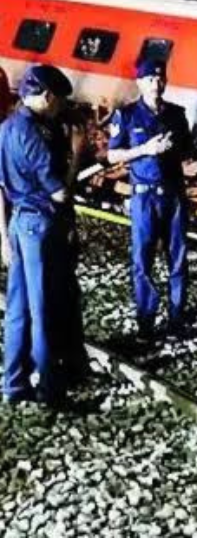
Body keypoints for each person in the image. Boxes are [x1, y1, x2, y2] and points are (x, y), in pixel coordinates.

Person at [0, 65, 78, 406]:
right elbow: (59, 192)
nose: (61, 107)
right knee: (43, 307)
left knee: (17, 308)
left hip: (19, 221)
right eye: (59, 100)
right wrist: (78, 157)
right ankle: (49, 386)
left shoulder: (6, 128)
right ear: (47, 96)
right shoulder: (34, 135)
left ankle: (13, 383)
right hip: (41, 226)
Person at [106, 57, 192, 338]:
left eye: (160, 78)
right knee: (142, 260)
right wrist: (145, 149)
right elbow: (112, 155)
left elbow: (188, 151)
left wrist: (181, 152)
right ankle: (146, 321)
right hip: (144, 197)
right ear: (140, 83)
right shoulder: (127, 115)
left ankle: (177, 319)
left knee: (177, 258)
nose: (156, 84)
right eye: (150, 79)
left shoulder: (177, 115)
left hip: (174, 196)